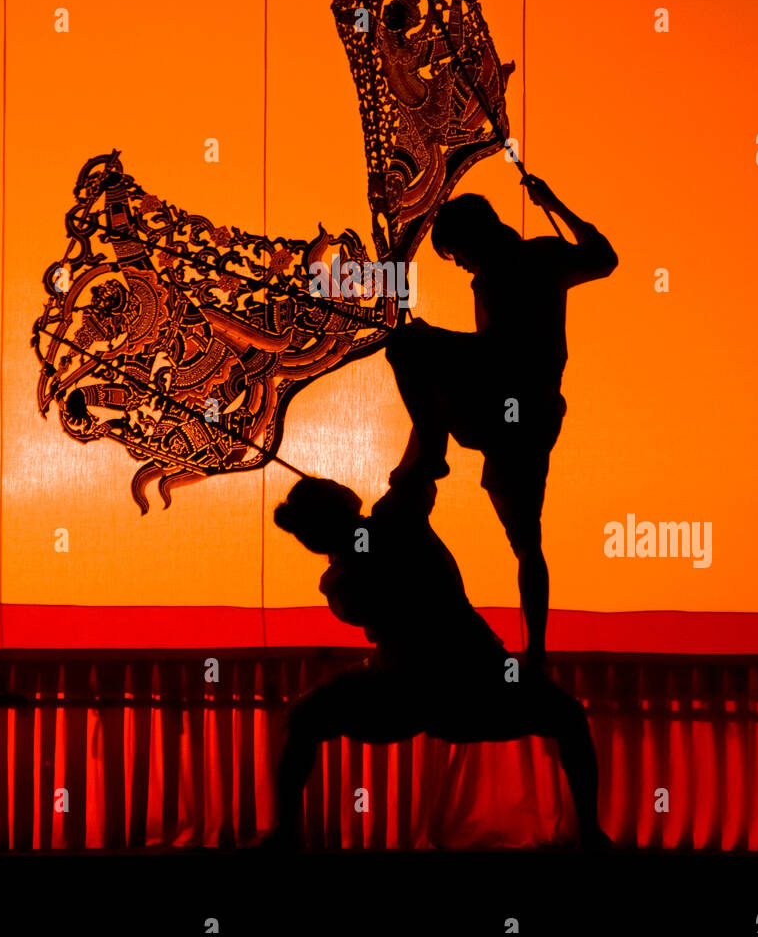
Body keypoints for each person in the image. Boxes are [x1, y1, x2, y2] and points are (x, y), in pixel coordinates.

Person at [261, 472, 611, 851]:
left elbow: (422, 465)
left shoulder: (346, 570)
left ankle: (284, 834)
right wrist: (424, 421)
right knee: (569, 717)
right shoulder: (393, 520)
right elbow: (425, 461)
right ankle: (591, 833)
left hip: (404, 687)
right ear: (346, 501)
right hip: (471, 672)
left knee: (303, 718)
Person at [385, 174, 618, 670]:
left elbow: (502, 351)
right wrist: (556, 205)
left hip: (508, 406)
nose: (460, 264)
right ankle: (536, 649)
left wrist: (435, 337)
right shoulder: (546, 257)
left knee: (409, 347)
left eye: (456, 253)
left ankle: (431, 449)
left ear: (473, 237)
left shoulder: (518, 265)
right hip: (524, 416)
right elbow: (603, 258)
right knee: (527, 541)